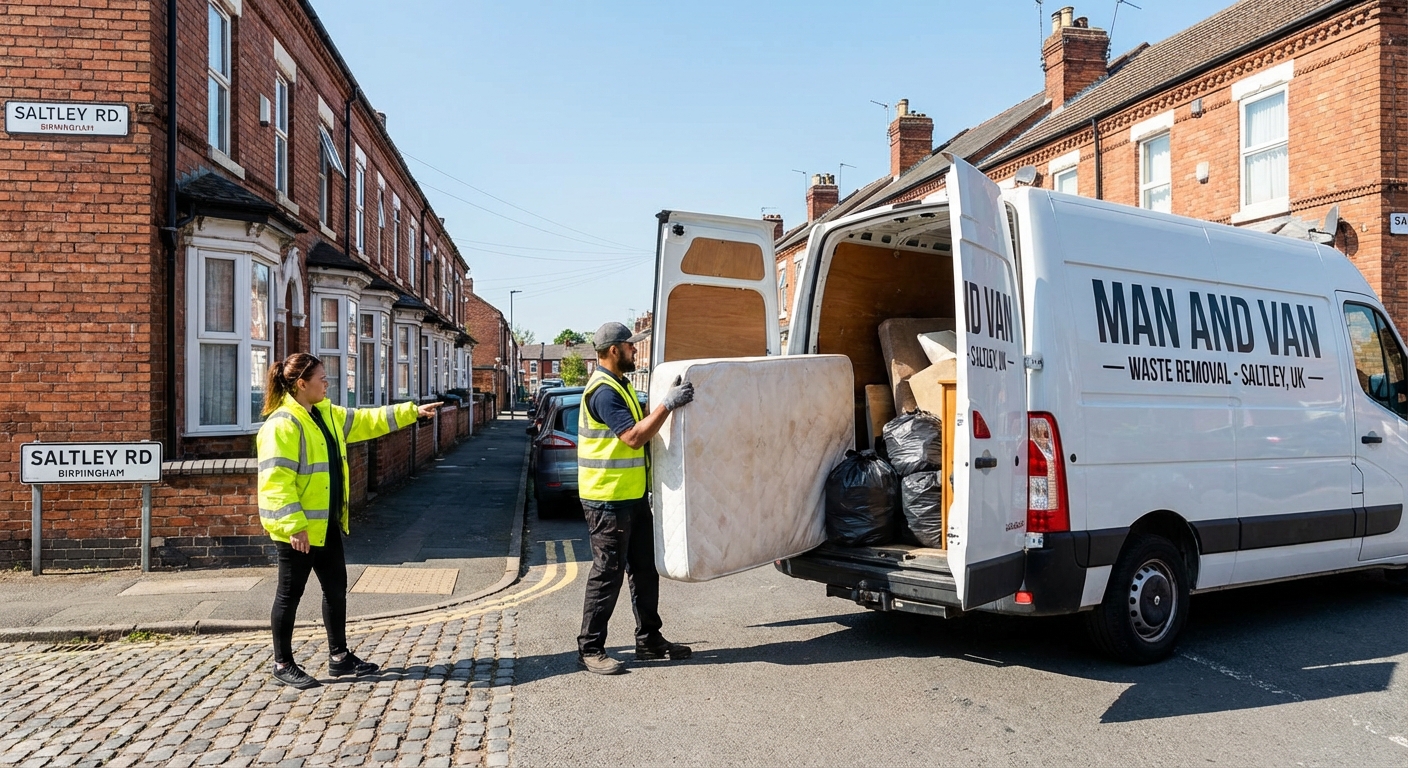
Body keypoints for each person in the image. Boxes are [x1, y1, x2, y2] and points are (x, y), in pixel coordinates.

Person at [256, 352, 440, 689]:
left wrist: (412, 412)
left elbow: (368, 421)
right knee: (289, 594)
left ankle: (339, 657)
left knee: (336, 589)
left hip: (324, 524)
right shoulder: (283, 424)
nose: (327, 383)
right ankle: (282, 663)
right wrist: (293, 526)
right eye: (322, 378)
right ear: (302, 384)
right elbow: (275, 483)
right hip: (298, 529)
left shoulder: (324, 414)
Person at [576, 321, 696, 675]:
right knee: (608, 573)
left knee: (645, 569)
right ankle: (590, 649)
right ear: (614, 350)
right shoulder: (603, 392)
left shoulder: (621, 384)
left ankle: (649, 640)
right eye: (630, 346)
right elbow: (632, 437)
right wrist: (668, 405)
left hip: (631, 496)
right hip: (607, 500)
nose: (634, 350)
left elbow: (642, 427)